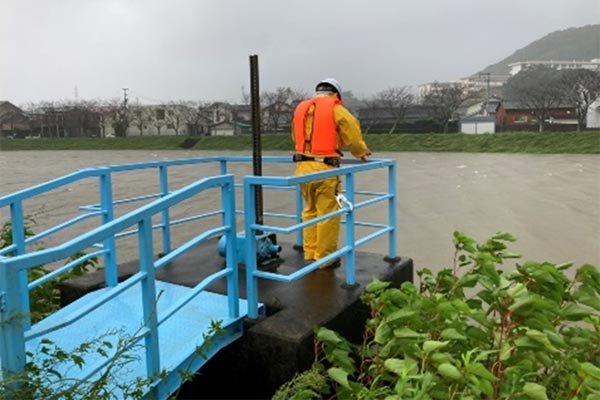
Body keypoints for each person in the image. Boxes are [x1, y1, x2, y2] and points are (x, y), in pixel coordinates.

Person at [291, 78, 371, 269]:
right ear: (336, 93)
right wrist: (361, 152)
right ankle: (325, 259)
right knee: (327, 214)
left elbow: (295, 136)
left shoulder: (302, 109)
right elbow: (351, 132)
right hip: (324, 168)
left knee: (309, 210)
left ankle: (310, 253)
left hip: (302, 167)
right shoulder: (335, 108)